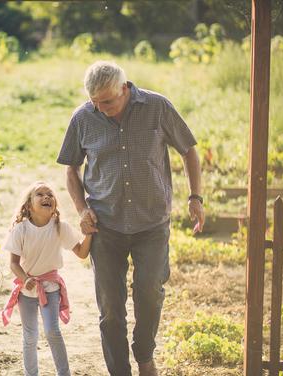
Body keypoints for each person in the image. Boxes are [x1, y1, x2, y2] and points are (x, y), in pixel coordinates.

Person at [57, 61, 205, 376]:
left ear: (124, 89)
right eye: (96, 102)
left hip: (151, 223)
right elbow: (71, 168)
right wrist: (82, 209)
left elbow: (189, 150)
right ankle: (120, 371)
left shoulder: (157, 107)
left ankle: (144, 353)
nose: (102, 108)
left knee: (149, 291)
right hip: (105, 226)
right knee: (110, 308)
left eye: (108, 101)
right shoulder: (84, 118)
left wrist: (195, 197)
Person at [1, 181, 92, 376]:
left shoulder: (60, 227)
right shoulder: (21, 230)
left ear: (55, 205)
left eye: (50, 194)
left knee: (52, 331)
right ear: (28, 205)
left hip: (50, 287)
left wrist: (89, 234)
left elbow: (82, 253)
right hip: (26, 289)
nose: (46, 197)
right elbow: (14, 264)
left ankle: (64, 373)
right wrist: (25, 279)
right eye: (40, 194)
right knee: (30, 336)